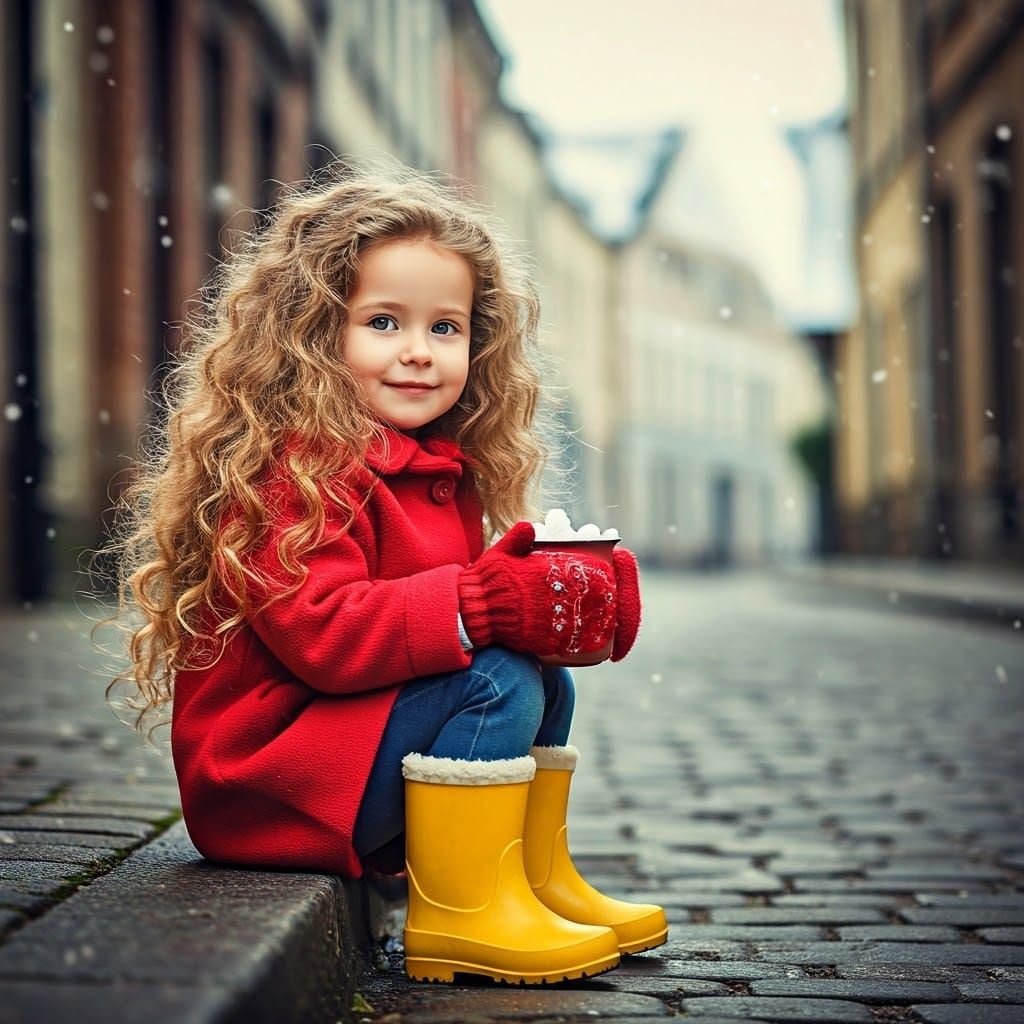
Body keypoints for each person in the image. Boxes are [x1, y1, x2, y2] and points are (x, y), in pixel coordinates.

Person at [107, 161, 667, 985]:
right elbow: (324, 635)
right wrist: (484, 605)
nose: (417, 353)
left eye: (446, 328)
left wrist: (549, 588)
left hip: (340, 754)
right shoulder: (292, 469)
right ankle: (464, 906)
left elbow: (436, 626)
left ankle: (528, 879)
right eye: (382, 322)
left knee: (545, 681)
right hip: (269, 785)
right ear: (311, 332)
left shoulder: (434, 464)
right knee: (499, 681)